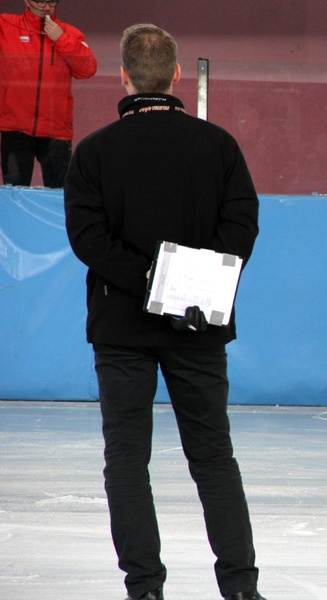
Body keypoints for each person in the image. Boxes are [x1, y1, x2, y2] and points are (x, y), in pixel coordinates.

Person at [64, 24, 265, 600]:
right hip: (197, 326)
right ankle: (242, 588)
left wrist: (148, 280)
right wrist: (184, 289)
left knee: (126, 460)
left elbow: (89, 238)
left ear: (122, 77)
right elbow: (241, 229)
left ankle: (145, 588)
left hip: (120, 328)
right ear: (178, 76)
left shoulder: (93, 152)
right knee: (213, 457)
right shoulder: (218, 145)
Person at [0, 0, 97, 187]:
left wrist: (60, 38)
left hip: (56, 131)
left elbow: (88, 69)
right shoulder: (5, 25)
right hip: (15, 128)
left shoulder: (69, 33)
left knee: (58, 198)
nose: (46, 7)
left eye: (51, 2)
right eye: (40, 1)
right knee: (15, 196)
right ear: (27, 1)